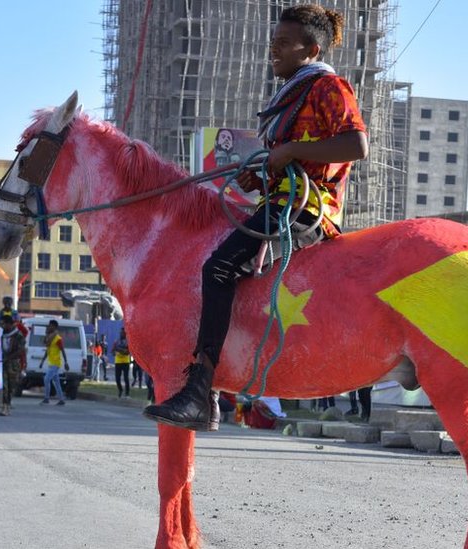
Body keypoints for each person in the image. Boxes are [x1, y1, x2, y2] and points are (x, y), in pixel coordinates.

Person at [144, 5, 368, 431]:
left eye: (284, 44)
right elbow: (290, 155)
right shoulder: (291, 93)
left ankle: (200, 392)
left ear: (312, 49)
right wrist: (262, 170)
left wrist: (288, 153)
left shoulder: (327, 86)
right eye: (273, 43)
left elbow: (356, 145)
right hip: (278, 201)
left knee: (220, 266)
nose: (274, 51)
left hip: (304, 208)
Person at [0, 315, 26, 416]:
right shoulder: (1, 334)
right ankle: (5, 406)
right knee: (4, 385)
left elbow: (20, 350)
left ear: (10, 324)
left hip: (13, 364)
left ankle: (8, 404)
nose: (3, 326)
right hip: (3, 363)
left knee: (11, 386)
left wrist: (8, 358)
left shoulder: (18, 335)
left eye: (4, 324)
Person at [39, 319, 68, 405]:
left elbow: (62, 350)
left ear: (54, 327)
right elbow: (47, 350)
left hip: (56, 363)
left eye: (50, 325)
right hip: (51, 363)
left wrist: (66, 362)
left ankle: (46, 398)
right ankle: (61, 400)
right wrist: (42, 361)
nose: (49, 327)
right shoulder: (49, 337)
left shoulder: (58, 338)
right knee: (56, 382)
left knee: (46, 379)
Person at [112, 329, 131, 399]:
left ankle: (127, 394)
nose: (121, 334)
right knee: (117, 379)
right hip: (118, 362)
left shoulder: (128, 342)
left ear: (125, 334)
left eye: (122, 333)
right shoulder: (116, 341)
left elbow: (128, 352)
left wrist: (119, 350)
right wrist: (114, 352)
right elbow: (112, 351)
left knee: (126, 378)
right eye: (120, 333)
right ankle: (120, 390)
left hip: (126, 362)